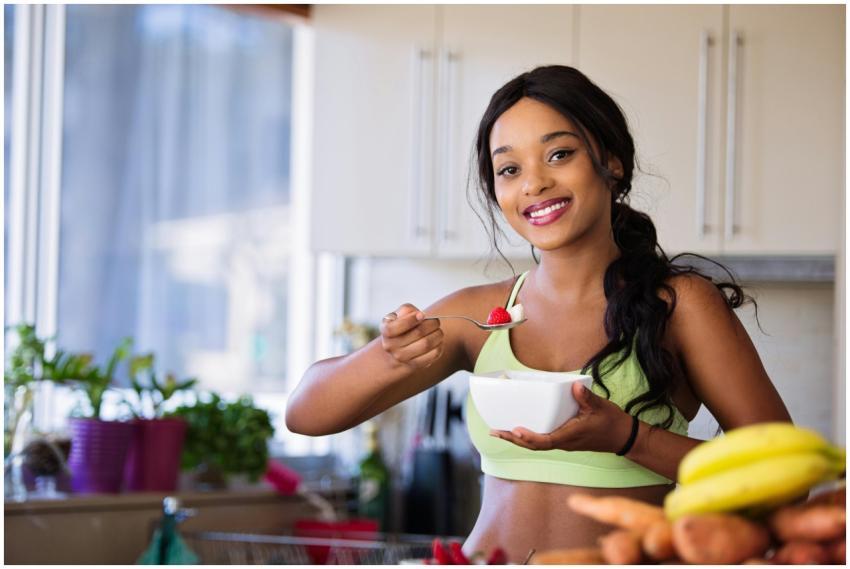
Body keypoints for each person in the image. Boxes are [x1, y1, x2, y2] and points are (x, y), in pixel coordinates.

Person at [285, 65, 791, 561]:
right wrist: (390, 358)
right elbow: (306, 413)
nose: (534, 183)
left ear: (610, 162)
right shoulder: (481, 314)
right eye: (510, 169)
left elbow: (783, 482)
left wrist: (628, 437)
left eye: (559, 154)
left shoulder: (678, 306)